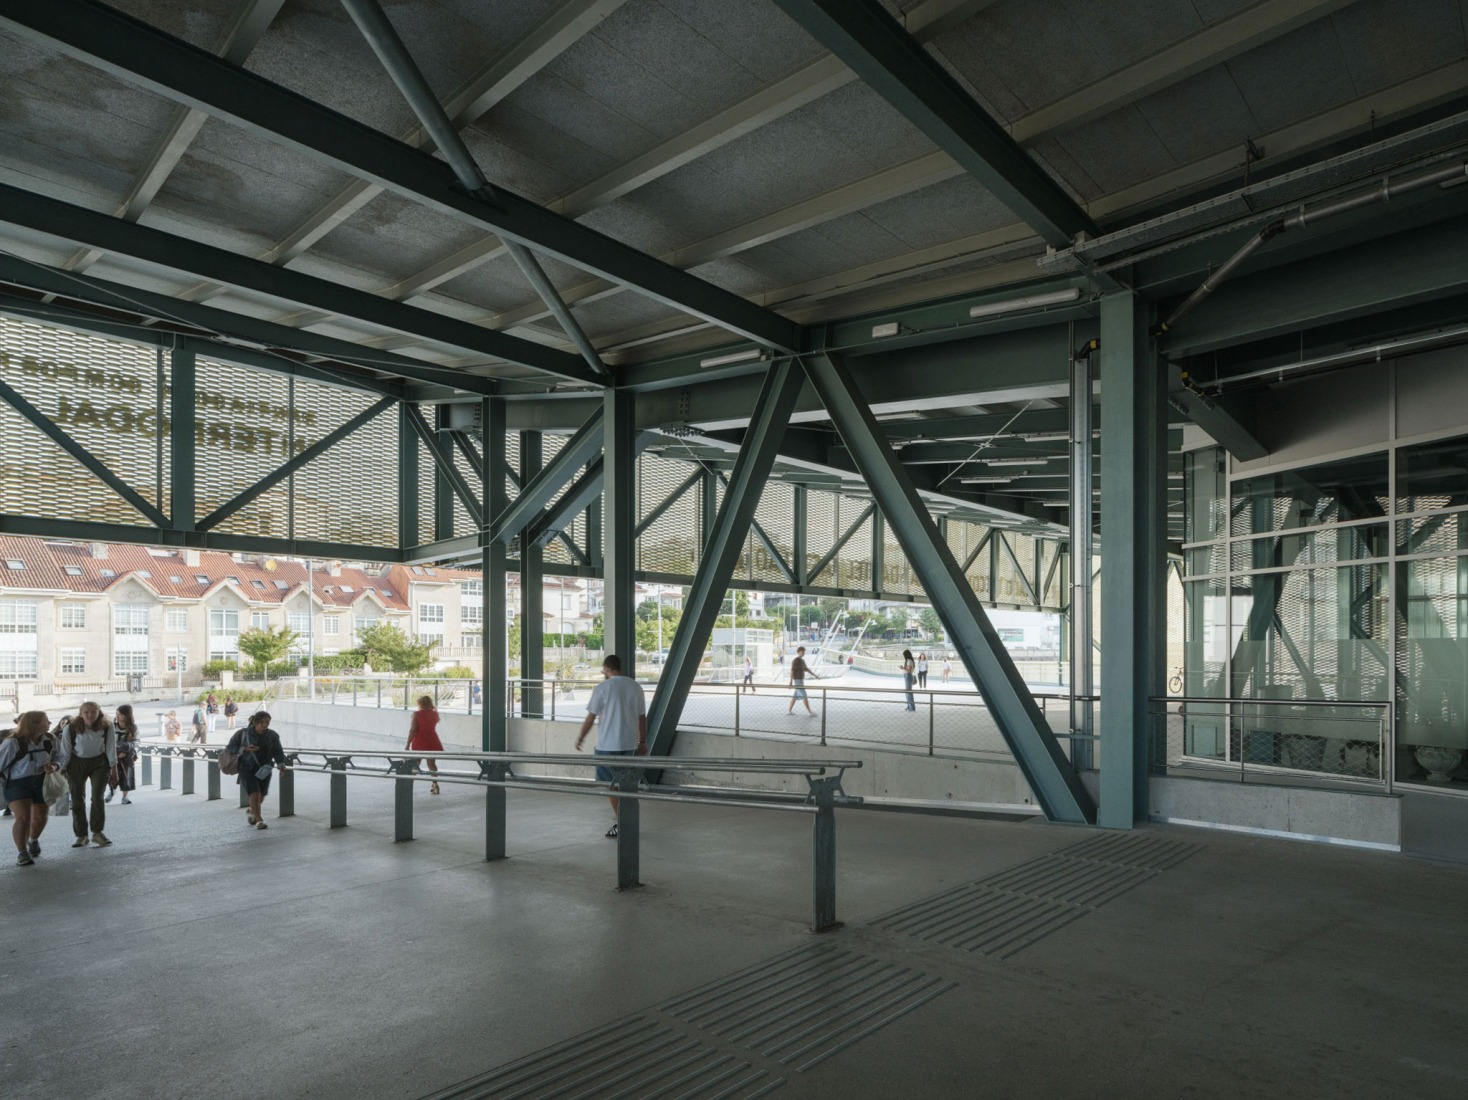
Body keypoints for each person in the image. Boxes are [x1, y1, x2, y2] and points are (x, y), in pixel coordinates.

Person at [574, 655, 646, 839]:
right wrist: (642, 742)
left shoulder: (603, 688)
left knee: (611, 786)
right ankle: (630, 821)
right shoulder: (635, 687)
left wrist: (581, 737)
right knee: (627, 786)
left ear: (606, 668)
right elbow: (641, 718)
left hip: (607, 746)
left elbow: (591, 717)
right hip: (629, 745)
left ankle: (623, 823)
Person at [1, 711, 62, 866]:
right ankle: (22, 853)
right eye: (45, 720)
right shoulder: (13, 743)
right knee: (23, 817)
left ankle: (33, 840)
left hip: (42, 780)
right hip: (17, 783)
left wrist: (54, 766)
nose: (49, 723)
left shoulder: (50, 739)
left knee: (41, 817)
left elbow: (60, 756)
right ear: (34, 724)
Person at [59, 701, 117, 848]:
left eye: (93, 711)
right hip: (76, 762)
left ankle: (97, 833)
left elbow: (111, 748)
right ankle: (81, 835)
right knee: (77, 799)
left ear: (99, 712)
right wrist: (62, 769)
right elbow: (65, 750)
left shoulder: (107, 726)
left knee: (97, 797)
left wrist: (113, 769)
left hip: (99, 763)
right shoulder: (70, 727)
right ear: (81, 713)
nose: (90, 715)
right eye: (86, 712)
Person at [226, 712, 288, 830]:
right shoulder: (243, 733)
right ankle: (259, 820)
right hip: (246, 768)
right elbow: (230, 747)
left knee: (262, 795)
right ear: (255, 722)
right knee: (255, 793)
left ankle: (252, 809)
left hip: (265, 768)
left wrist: (281, 765)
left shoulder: (272, 735)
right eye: (262, 722)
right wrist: (245, 749)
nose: (265, 725)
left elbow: (278, 751)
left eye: (267, 722)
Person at [405, 695, 443, 795]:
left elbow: (413, 730)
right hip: (432, 740)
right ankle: (435, 784)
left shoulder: (417, 714)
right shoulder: (435, 714)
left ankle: (409, 786)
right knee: (432, 764)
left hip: (420, 741)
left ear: (420, 703)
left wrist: (407, 744)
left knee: (415, 764)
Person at [106, 703, 138, 806]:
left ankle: (125, 797)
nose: (117, 716)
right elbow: (106, 741)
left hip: (127, 756)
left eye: (120, 714)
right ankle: (112, 791)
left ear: (127, 715)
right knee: (111, 775)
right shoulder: (112, 726)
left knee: (126, 776)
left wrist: (124, 749)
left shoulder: (133, 728)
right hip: (113, 755)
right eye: (116, 714)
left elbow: (135, 742)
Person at [787, 645, 818, 716]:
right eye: (802, 652)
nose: (803, 653)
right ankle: (810, 712)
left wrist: (815, 675)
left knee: (795, 697)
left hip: (800, 681)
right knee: (804, 696)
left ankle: (789, 711)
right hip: (797, 681)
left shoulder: (802, 661)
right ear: (798, 652)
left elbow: (806, 669)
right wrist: (791, 682)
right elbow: (792, 671)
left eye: (804, 652)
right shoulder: (796, 660)